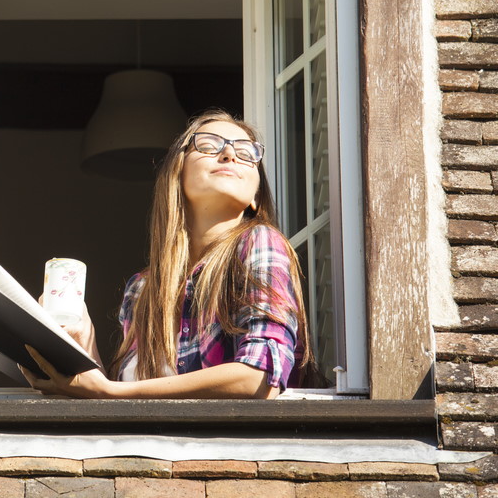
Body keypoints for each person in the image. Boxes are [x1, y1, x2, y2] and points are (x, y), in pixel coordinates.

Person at [20, 109, 313, 399]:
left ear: (255, 198)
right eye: (209, 145)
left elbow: (259, 378)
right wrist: (85, 347)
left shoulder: (259, 243)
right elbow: (125, 398)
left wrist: (108, 390)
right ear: (178, 173)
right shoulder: (141, 289)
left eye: (246, 152)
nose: (229, 155)